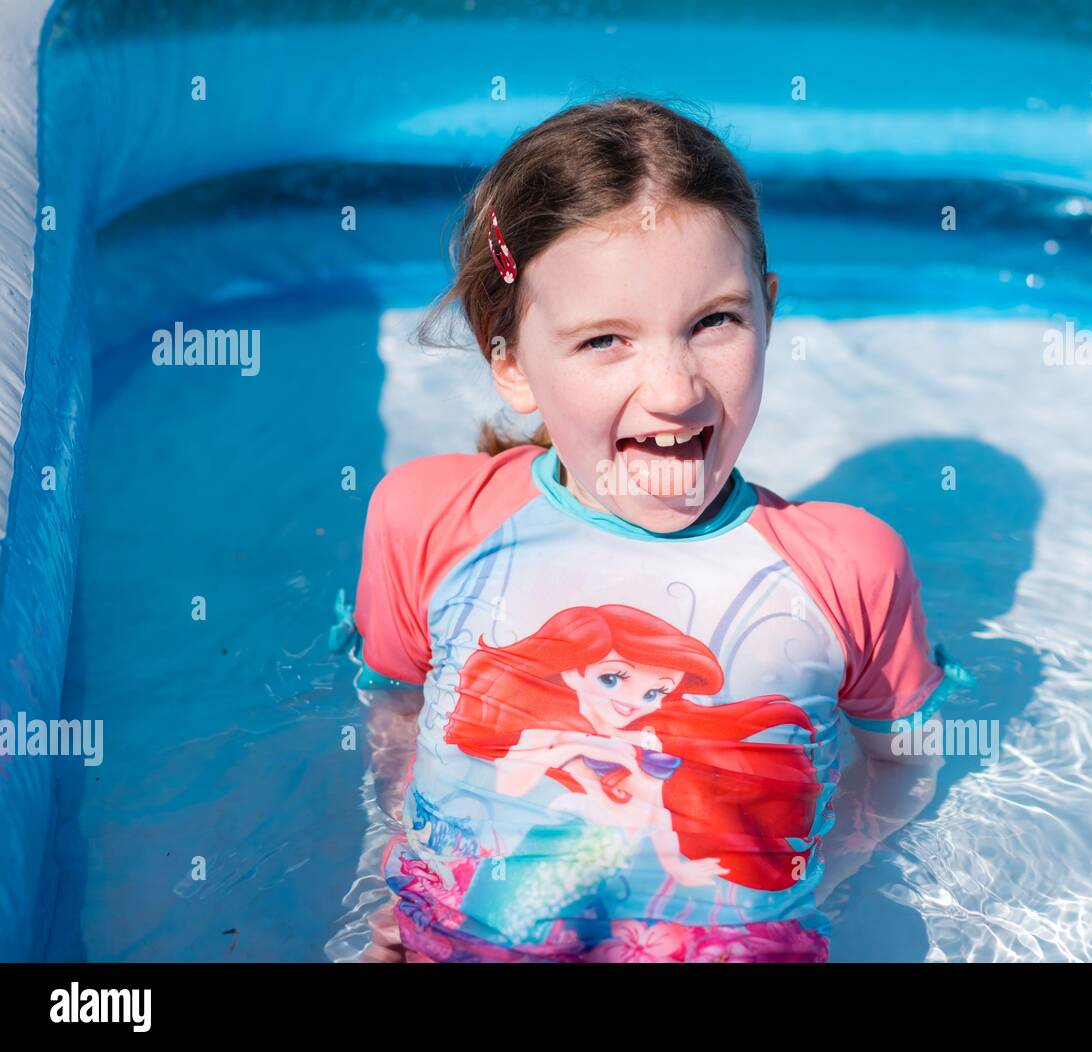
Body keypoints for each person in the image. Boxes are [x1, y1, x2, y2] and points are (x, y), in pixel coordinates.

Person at [344, 96, 965, 963]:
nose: (675, 388)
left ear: (768, 311)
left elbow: (902, 766)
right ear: (512, 363)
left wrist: (801, 894)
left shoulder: (848, 568)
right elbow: (398, 718)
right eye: (606, 339)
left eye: (716, 320)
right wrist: (410, 880)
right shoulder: (428, 521)